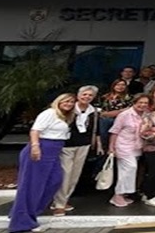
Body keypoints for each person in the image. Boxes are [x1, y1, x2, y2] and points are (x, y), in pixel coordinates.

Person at [8, 94, 75, 233]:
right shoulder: (49, 113)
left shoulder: (64, 116)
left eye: (71, 102)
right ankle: (21, 223)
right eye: (66, 101)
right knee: (32, 186)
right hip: (41, 149)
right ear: (58, 101)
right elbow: (35, 130)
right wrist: (35, 146)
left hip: (54, 152)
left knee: (54, 181)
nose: (69, 104)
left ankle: (29, 213)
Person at [51, 86, 98, 216]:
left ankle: (64, 200)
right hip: (67, 145)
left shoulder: (93, 111)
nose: (87, 97)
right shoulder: (69, 108)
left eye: (90, 95)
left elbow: (94, 129)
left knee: (74, 176)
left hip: (84, 145)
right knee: (66, 174)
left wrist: (95, 143)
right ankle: (59, 204)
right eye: (84, 94)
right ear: (78, 95)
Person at [108, 94, 150, 207]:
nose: (143, 105)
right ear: (134, 102)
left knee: (127, 171)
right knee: (130, 167)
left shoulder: (146, 115)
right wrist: (111, 147)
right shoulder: (124, 114)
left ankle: (123, 194)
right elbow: (115, 131)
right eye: (140, 102)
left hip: (136, 146)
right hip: (123, 145)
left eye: (145, 103)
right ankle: (118, 195)